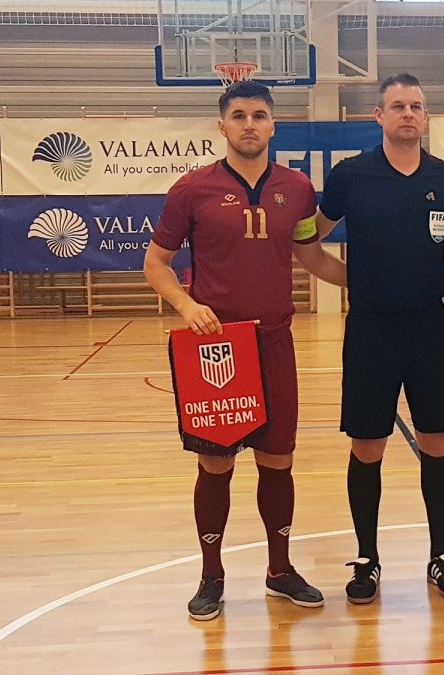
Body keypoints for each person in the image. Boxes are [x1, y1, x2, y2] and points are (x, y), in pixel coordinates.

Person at [144, 80, 347, 620]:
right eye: (239, 115)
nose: (249, 124)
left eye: (259, 115)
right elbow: (155, 264)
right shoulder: (192, 190)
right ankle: (211, 575)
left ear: (273, 125)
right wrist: (188, 309)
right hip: (217, 348)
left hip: (276, 340)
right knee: (216, 464)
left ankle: (279, 570)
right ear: (222, 126)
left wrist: (372, 283)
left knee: (278, 460)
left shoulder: (298, 188)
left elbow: (313, 258)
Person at [315, 73, 444, 605]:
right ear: (378, 116)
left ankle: (442, 554)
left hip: (428, 327)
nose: (408, 114)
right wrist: (347, 280)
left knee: (437, 442)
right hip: (371, 330)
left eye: (417, 106)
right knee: (367, 445)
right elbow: (309, 239)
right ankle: (366, 558)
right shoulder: (351, 176)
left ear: (426, 118)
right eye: (397, 106)